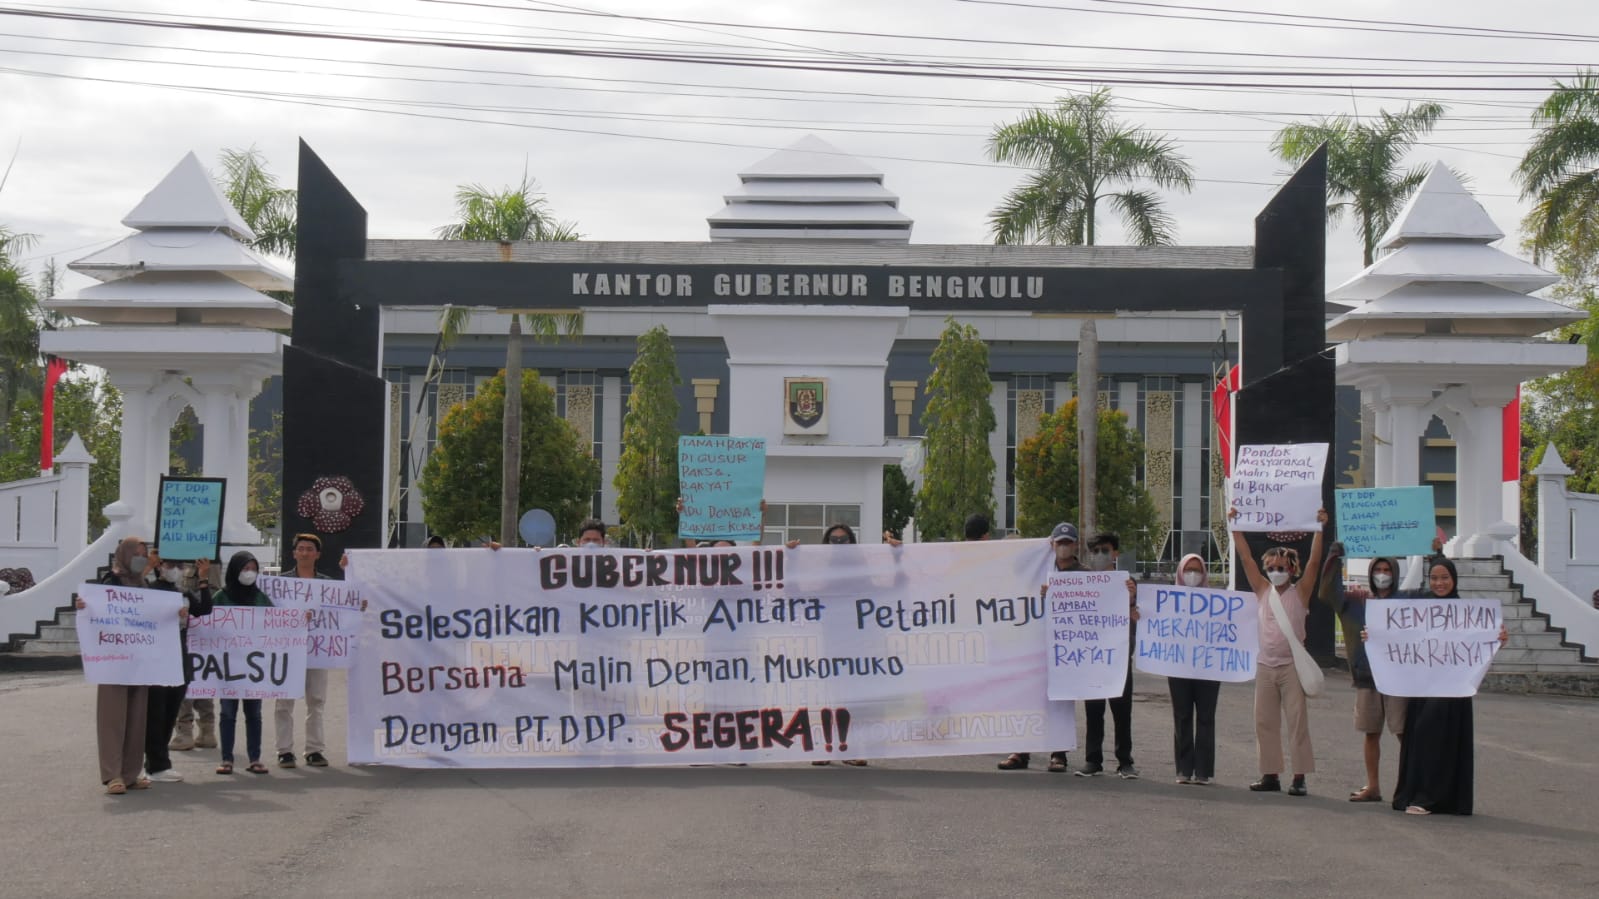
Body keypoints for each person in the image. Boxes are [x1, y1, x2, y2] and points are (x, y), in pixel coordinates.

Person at [1383, 556, 1508, 816]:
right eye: (1435, 578)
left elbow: (1480, 643)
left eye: (1445, 578)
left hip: (1453, 689)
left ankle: (1430, 798)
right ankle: (1415, 793)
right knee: (1418, 736)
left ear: (1454, 580)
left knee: (1439, 736)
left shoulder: (1466, 612)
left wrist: (1498, 639)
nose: (1439, 583)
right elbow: (1396, 634)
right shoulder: (1420, 609)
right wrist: (1371, 635)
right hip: (1424, 686)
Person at [1232, 508, 1326, 797]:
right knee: (1265, 721)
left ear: (1292, 570)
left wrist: (1319, 529)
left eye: (1282, 567)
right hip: (1265, 666)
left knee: (1297, 722)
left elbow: (1314, 561)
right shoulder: (1262, 589)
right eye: (1271, 567)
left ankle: (1299, 777)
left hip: (1291, 667)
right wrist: (1235, 525)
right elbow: (1246, 557)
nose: (1276, 571)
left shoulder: (1301, 592)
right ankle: (1270, 774)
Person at [998, 521, 1083, 774]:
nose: (1064, 548)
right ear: (1052, 544)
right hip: (1032, 643)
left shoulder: (1084, 574)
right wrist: (1037, 549)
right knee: (1026, 696)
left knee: (1060, 701)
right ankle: (1021, 751)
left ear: (1075, 545)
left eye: (1068, 543)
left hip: (1065, 647)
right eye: (1059, 544)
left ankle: (1058, 754)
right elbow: (1014, 564)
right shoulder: (1037, 569)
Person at [85, 537, 157, 794]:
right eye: (136, 553)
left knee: (137, 719)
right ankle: (112, 775)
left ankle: (130, 773)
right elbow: (96, 611)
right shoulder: (110, 581)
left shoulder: (144, 584)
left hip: (139, 661)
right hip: (113, 661)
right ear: (124, 555)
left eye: (144, 553)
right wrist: (85, 607)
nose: (141, 558)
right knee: (113, 719)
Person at [797, 523, 871, 768]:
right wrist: (790, 558)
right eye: (834, 540)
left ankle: (851, 748)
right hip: (831, 640)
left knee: (853, 698)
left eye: (844, 540)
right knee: (831, 697)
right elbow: (796, 591)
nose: (839, 545)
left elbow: (889, 592)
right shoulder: (822, 573)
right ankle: (828, 748)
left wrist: (897, 554)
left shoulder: (862, 572)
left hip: (858, 642)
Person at [141, 550, 213, 783]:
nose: (176, 569)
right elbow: (128, 597)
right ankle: (155, 763)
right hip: (154, 661)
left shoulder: (182, 593)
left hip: (179, 660)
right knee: (155, 714)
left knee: (171, 712)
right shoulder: (148, 590)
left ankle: (159, 762)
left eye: (179, 565)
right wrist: (146, 569)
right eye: (170, 564)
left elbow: (204, 609)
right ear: (159, 566)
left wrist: (203, 578)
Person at [1339, 556, 1405, 804]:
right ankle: (1373, 786)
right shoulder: (1360, 601)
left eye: (1387, 569)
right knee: (1370, 732)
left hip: (1398, 676)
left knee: (1402, 731)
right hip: (1368, 676)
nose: (1382, 573)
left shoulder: (1406, 600)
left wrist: (1437, 556)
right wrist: (1335, 557)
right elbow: (1328, 593)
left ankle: (1407, 785)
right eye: (1378, 569)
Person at [1078, 532, 1138, 779]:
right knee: (1094, 712)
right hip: (1093, 659)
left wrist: (1132, 598)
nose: (1100, 555)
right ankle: (1093, 760)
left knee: (1122, 714)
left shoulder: (1128, 583)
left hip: (1119, 659)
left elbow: (1140, 614)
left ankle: (1125, 761)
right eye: (1095, 551)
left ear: (1116, 554)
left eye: (1105, 550)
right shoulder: (1081, 583)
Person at [276, 533, 334, 768]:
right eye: (301, 548)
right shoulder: (281, 584)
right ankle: (284, 750)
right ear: (294, 553)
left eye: (310, 549)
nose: (305, 552)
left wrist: (356, 605)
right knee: (283, 702)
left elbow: (341, 612)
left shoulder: (328, 584)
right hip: (288, 651)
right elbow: (271, 616)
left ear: (317, 554)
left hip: (318, 650)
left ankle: (314, 749)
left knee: (317, 701)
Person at [213, 551, 272, 775]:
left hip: (252, 667)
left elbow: (276, 625)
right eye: (245, 568)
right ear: (235, 570)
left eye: (253, 569)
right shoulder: (221, 597)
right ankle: (227, 759)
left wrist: (297, 622)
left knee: (254, 713)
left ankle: (255, 758)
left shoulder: (261, 598)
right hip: (227, 666)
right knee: (227, 713)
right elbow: (207, 622)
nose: (249, 573)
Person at [1165, 553, 1221, 785]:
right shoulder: (1167, 600)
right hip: (1179, 666)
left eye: (1198, 570)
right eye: (1189, 570)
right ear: (1180, 572)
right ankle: (1184, 769)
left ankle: (1203, 771)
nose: (1193, 575)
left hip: (1209, 667)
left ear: (1204, 573)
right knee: (1182, 716)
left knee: (1206, 717)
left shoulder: (1217, 602)